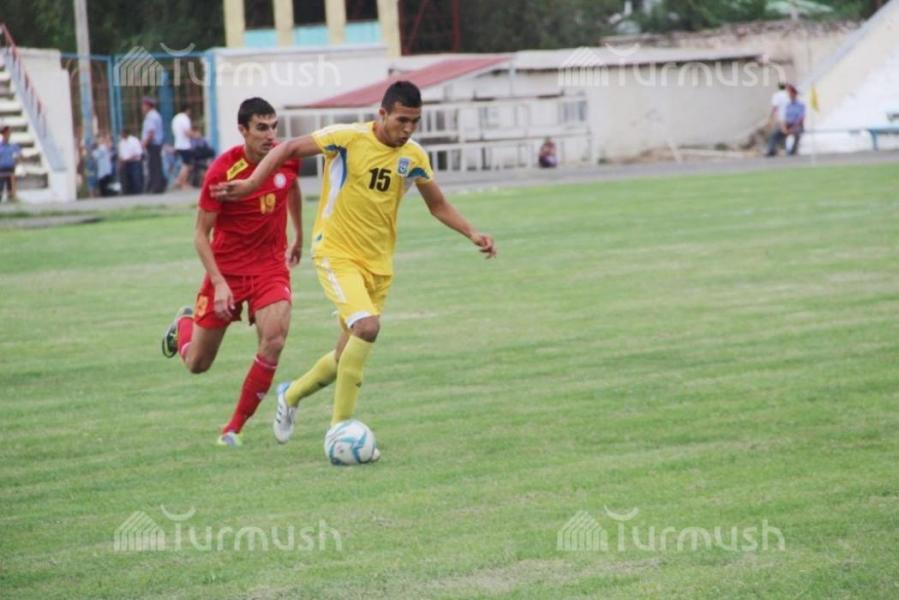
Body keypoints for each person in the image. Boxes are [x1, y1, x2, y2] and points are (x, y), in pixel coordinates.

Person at [213, 81, 496, 455]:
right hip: (336, 254)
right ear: (382, 114)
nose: (408, 129)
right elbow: (288, 148)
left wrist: (472, 232)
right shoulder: (347, 138)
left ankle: (291, 394)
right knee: (367, 327)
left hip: (378, 265)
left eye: (415, 121)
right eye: (402, 120)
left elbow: (437, 205)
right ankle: (339, 429)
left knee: (345, 353)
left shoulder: (413, 156)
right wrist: (251, 183)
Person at [160, 97, 303, 448]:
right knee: (198, 363)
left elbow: (292, 187)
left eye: (273, 127)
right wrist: (219, 283)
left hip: (270, 268)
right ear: (243, 130)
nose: (270, 135)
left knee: (274, 340)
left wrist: (298, 233)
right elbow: (200, 235)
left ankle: (233, 428)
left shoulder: (286, 158)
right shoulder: (222, 171)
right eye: (261, 128)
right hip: (227, 272)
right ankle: (183, 327)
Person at [766, 84, 805, 157]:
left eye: (791, 92)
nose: (789, 94)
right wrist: (784, 128)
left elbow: (800, 119)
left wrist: (792, 129)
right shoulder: (787, 104)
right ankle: (771, 150)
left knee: (797, 133)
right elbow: (783, 117)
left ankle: (793, 151)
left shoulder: (800, 104)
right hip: (787, 124)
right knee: (774, 134)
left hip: (796, 126)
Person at [141, 96, 166, 193]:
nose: (142, 108)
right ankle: (158, 186)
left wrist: (145, 143)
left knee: (153, 166)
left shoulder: (151, 116)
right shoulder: (156, 115)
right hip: (156, 144)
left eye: (143, 105)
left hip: (153, 144)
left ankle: (156, 187)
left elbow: (151, 132)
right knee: (157, 165)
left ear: (148, 106)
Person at [172, 105, 193, 189]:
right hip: (185, 145)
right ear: (187, 110)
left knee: (183, 164)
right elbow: (187, 132)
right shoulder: (185, 118)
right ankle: (181, 182)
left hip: (177, 144)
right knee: (186, 165)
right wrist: (195, 136)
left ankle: (179, 181)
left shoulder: (176, 118)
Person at [117, 129, 144, 195]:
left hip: (134, 162)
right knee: (126, 178)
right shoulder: (121, 142)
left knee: (136, 177)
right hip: (125, 163)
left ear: (126, 133)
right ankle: (128, 192)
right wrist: (121, 162)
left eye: (122, 134)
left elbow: (138, 152)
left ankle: (138, 192)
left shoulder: (134, 141)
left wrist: (129, 158)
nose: (121, 135)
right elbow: (121, 154)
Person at [0, 126, 22, 202]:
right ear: (3, 134)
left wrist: (17, 161)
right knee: (0, 188)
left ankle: (11, 201)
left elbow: (19, 155)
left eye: (9, 133)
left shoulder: (13, 145)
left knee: (11, 190)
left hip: (11, 169)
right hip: (1, 170)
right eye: (7, 133)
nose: (8, 135)